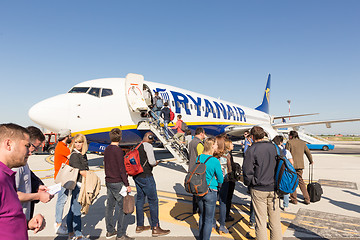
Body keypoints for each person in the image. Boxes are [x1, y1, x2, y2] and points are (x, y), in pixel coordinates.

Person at [0, 123, 46, 239]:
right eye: (26, 146)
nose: (30, 152)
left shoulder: (7, 176)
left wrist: (26, 224)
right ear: (9, 144)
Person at [243, 126, 282, 240]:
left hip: (259, 188)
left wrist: (250, 183)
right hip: (274, 188)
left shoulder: (252, 149)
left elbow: (247, 171)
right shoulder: (274, 147)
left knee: (261, 222)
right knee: (275, 222)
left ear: (253, 136)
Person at [133, 132, 170, 237]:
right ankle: (155, 227)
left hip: (137, 176)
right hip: (146, 176)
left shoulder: (138, 145)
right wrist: (156, 163)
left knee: (140, 200)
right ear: (150, 138)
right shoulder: (148, 146)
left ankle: (139, 226)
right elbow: (152, 162)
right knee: (153, 201)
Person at [14, 126, 53, 221]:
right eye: (34, 147)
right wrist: (38, 196)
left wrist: (37, 187)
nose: (34, 151)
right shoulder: (16, 166)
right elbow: (13, 195)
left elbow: (28, 179)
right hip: (16, 220)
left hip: (22, 219)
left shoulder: (23, 162)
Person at [104, 128, 133, 240]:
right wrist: (127, 184)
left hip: (109, 181)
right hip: (117, 182)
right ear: (120, 138)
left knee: (110, 206)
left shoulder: (107, 150)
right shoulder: (118, 151)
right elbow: (122, 169)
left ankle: (110, 230)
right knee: (122, 207)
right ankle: (120, 234)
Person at [197, 137, 224, 240]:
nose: (217, 146)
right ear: (212, 146)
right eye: (216, 144)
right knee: (208, 219)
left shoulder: (199, 158)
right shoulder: (214, 160)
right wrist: (219, 185)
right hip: (210, 191)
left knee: (202, 216)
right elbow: (220, 179)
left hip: (199, 189)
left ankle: (200, 237)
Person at [67, 134, 90, 240]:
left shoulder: (82, 154)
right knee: (76, 210)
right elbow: (82, 171)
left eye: (80, 142)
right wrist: (93, 178)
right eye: (76, 142)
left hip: (80, 184)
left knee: (72, 209)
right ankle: (78, 235)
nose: (78, 144)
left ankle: (71, 232)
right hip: (78, 185)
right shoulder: (75, 155)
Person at [286, 130, 313, 205]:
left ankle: (294, 199)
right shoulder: (302, 143)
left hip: (291, 165)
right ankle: (307, 198)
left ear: (291, 136)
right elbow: (308, 153)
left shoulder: (289, 142)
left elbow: (286, 154)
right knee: (301, 181)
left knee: (292, 181)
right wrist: (311, 161)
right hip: (300, 165)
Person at [54, 128, 72, 235]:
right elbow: (73, 156)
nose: (71, 138)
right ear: (66, 137)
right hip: (63, 177)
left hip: (62, 176)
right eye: (70, 136)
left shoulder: (61, 146)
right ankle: (58, 224)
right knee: (62, 200)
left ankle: (60, 222)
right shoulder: (62, 147)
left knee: (62, 199)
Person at [213, 135, 231, 234]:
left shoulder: (213, 155)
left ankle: (212, 223)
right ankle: (222, 226)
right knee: (222, 203)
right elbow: (230, 168)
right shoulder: (227, 155)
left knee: (212, 202)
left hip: (214, 181)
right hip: (224, 181)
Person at [273, 135, 294, 211]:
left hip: (274, 172)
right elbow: (291, 162)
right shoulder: (286, 151)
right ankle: (286, 205)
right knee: (285, 188)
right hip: (283, 172)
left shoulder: (272, 150)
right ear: (281, 142)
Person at [188, 127, 206, 214]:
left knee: (194, 190)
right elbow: (201, 157)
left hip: (191, 167)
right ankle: (199, 208)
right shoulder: (199, 143)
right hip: (197, 169)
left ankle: (194, 208)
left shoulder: (191, 142)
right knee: (199, 189)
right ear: (201, 133)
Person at [224, 138, 235, 222]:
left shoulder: (226, 154)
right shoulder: (227, 155)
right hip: (228, 179)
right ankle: (226, 215)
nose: (233, 145)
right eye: (231, 144)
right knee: (228, 198)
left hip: (226, 179)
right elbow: (229, 168)